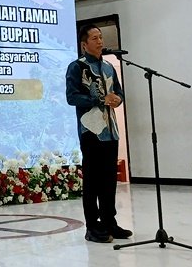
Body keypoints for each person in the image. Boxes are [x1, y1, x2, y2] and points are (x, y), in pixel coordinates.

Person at [65, 24, 131, 243]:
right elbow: (72, 97)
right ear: (84, 44)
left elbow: (118, 92)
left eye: (101, 37)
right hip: (91, 131)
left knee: (109, 180)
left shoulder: (109, 67)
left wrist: (118, 99)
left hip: (110, 131)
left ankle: (109, 222)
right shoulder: (77, 67)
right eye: (94, 38)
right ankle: (92, 226)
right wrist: (100, 99)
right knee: (93, 181)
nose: (100, 41)